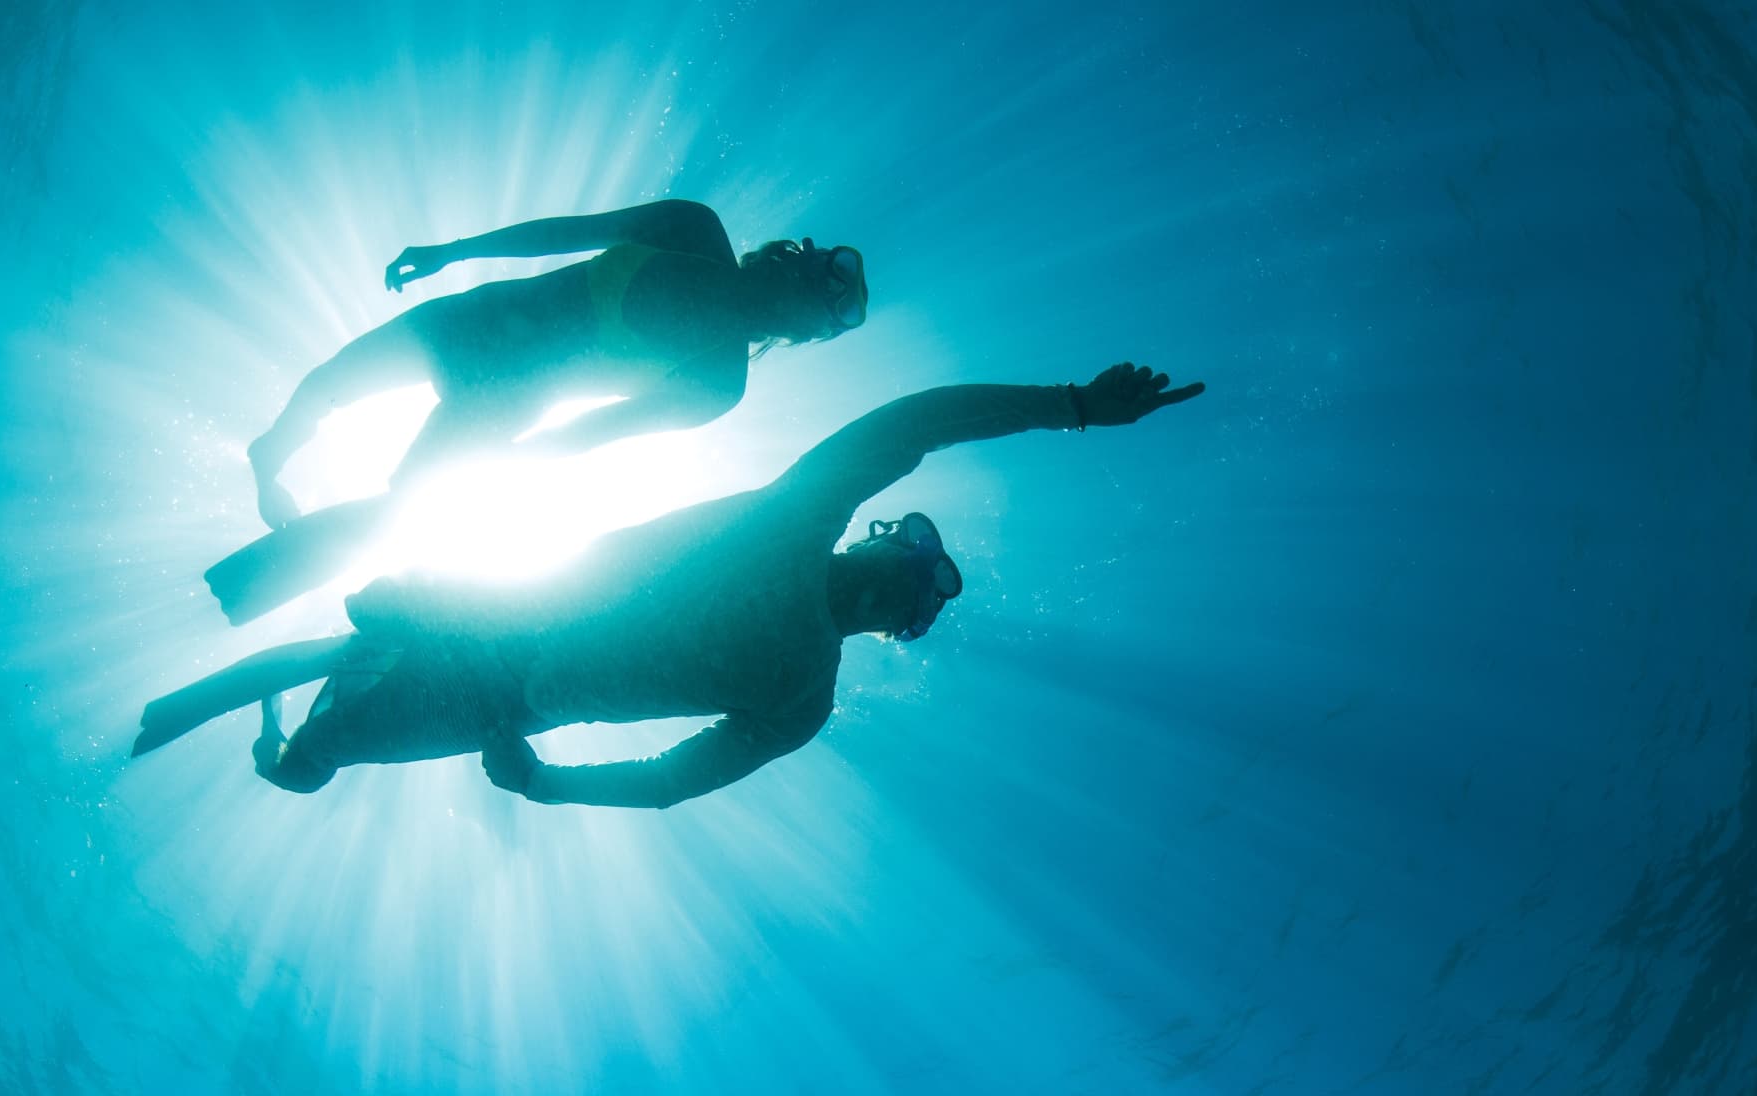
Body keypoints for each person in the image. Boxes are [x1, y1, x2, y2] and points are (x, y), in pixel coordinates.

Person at [134, 363, 1202, 805]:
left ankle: (285, 722)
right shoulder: (798, 519)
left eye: (915, 597)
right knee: (363, 640)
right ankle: (288, 664)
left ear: (897, 628)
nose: (899, 584)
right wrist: (1068, 403)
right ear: (870, 544)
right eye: (903, 559)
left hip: (494, 700)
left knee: (308, 768)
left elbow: (676, 780)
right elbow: (913, 427)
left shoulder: (800, 694)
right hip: (490, 601)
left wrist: (553, 786)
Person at [205, 198, 868, 624]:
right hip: (482, 324)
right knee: (330, 384)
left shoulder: (720, 381)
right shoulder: (691, 228)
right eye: (827, 287)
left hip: (505, 401)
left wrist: (514, 460)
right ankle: (270, 455)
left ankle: (238, 594)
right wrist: (453, 251)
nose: (813, 308)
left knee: (397, 508)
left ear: (807, 332)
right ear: (795, 263)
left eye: (828, 319)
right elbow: (561, 234)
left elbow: (600, 431)